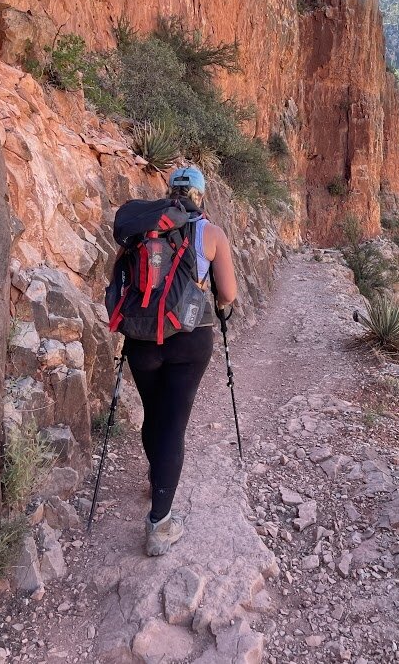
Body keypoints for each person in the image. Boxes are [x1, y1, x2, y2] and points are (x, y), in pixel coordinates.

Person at [122, 166, 237, 556]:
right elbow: (229, 294)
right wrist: (219, 304)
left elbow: (120, 281)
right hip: (189, 340)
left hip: (141, 339)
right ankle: (160, 523)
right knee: (173, 424)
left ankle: (157, 478)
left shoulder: (143, 229)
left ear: (170, 192)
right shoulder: (211, 232)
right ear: (201, 196)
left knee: (153, 415)